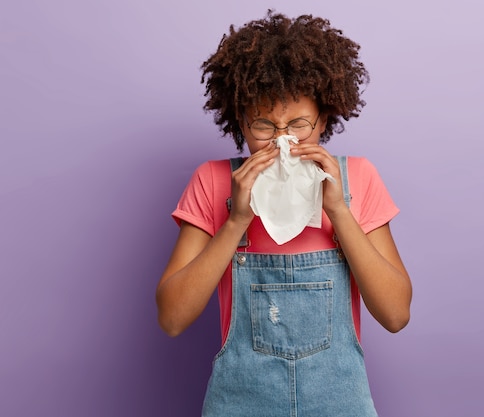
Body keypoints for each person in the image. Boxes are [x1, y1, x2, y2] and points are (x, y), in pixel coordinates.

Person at [156, 10, 412, 416]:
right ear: (240, 121)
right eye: (263, 125)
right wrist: (236, 220)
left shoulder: (359, 178)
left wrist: (338, 210)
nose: (281, 142)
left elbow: (396, 314)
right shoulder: (213, 181)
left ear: (324, 119)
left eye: (297, 124)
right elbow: (171, 318)